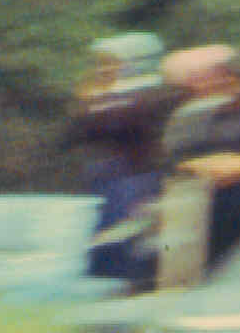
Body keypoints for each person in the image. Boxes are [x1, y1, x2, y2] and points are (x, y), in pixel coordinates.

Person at [159, 45, 240, 272]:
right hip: (197, 208)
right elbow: (175, 160)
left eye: (218, 75)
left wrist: (238, 166)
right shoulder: (186, 118)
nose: (209, 82)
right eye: (201, 77)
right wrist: (210, 167)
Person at [70, 31, 174, 287]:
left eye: (110, 62)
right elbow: (83, 128)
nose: (103, 69)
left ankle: (133, 278)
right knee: (104, 230)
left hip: (136, 174)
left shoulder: (151, 91)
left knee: (131, 229)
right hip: (105, 174)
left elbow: (116, 121)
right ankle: (106, 279)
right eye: (101, 63)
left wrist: (95, 103)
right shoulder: (106, 94)